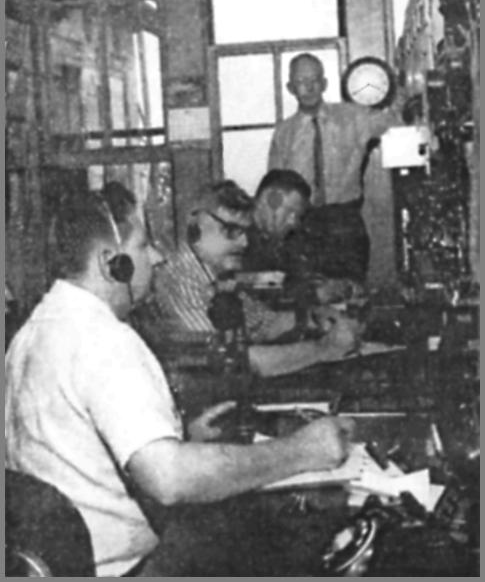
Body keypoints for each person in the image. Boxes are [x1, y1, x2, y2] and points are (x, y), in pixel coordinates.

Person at [5, 181, 354, 577]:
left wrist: (180, 440)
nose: (156, 257)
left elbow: (77, 457)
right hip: (132, 569)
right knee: (293, 540)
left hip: (69, 566)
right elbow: (168, 479)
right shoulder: (103, 339)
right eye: (143, 244)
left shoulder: (32, 332)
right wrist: (303, 451)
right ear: (110, 263)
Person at [152, 180, 361, 377]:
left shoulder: (216, 276)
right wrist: (324, 349)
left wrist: (313, 318)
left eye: (245, 232)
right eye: (232, 231)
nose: (244, 243)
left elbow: (265, 323)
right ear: (195, 227)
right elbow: (232, 360)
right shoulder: (180, 280)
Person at [268, 52, 399, 282]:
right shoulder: (284, 132)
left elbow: (394, 122)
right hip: (302, 226)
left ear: (325, 83)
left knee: (351, 295)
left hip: (345, 224)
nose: (308, 87)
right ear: (290, 87)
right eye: (301, 82)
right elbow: (274, 189)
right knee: (307, 297)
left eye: (314, 80)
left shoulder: (353, 117)